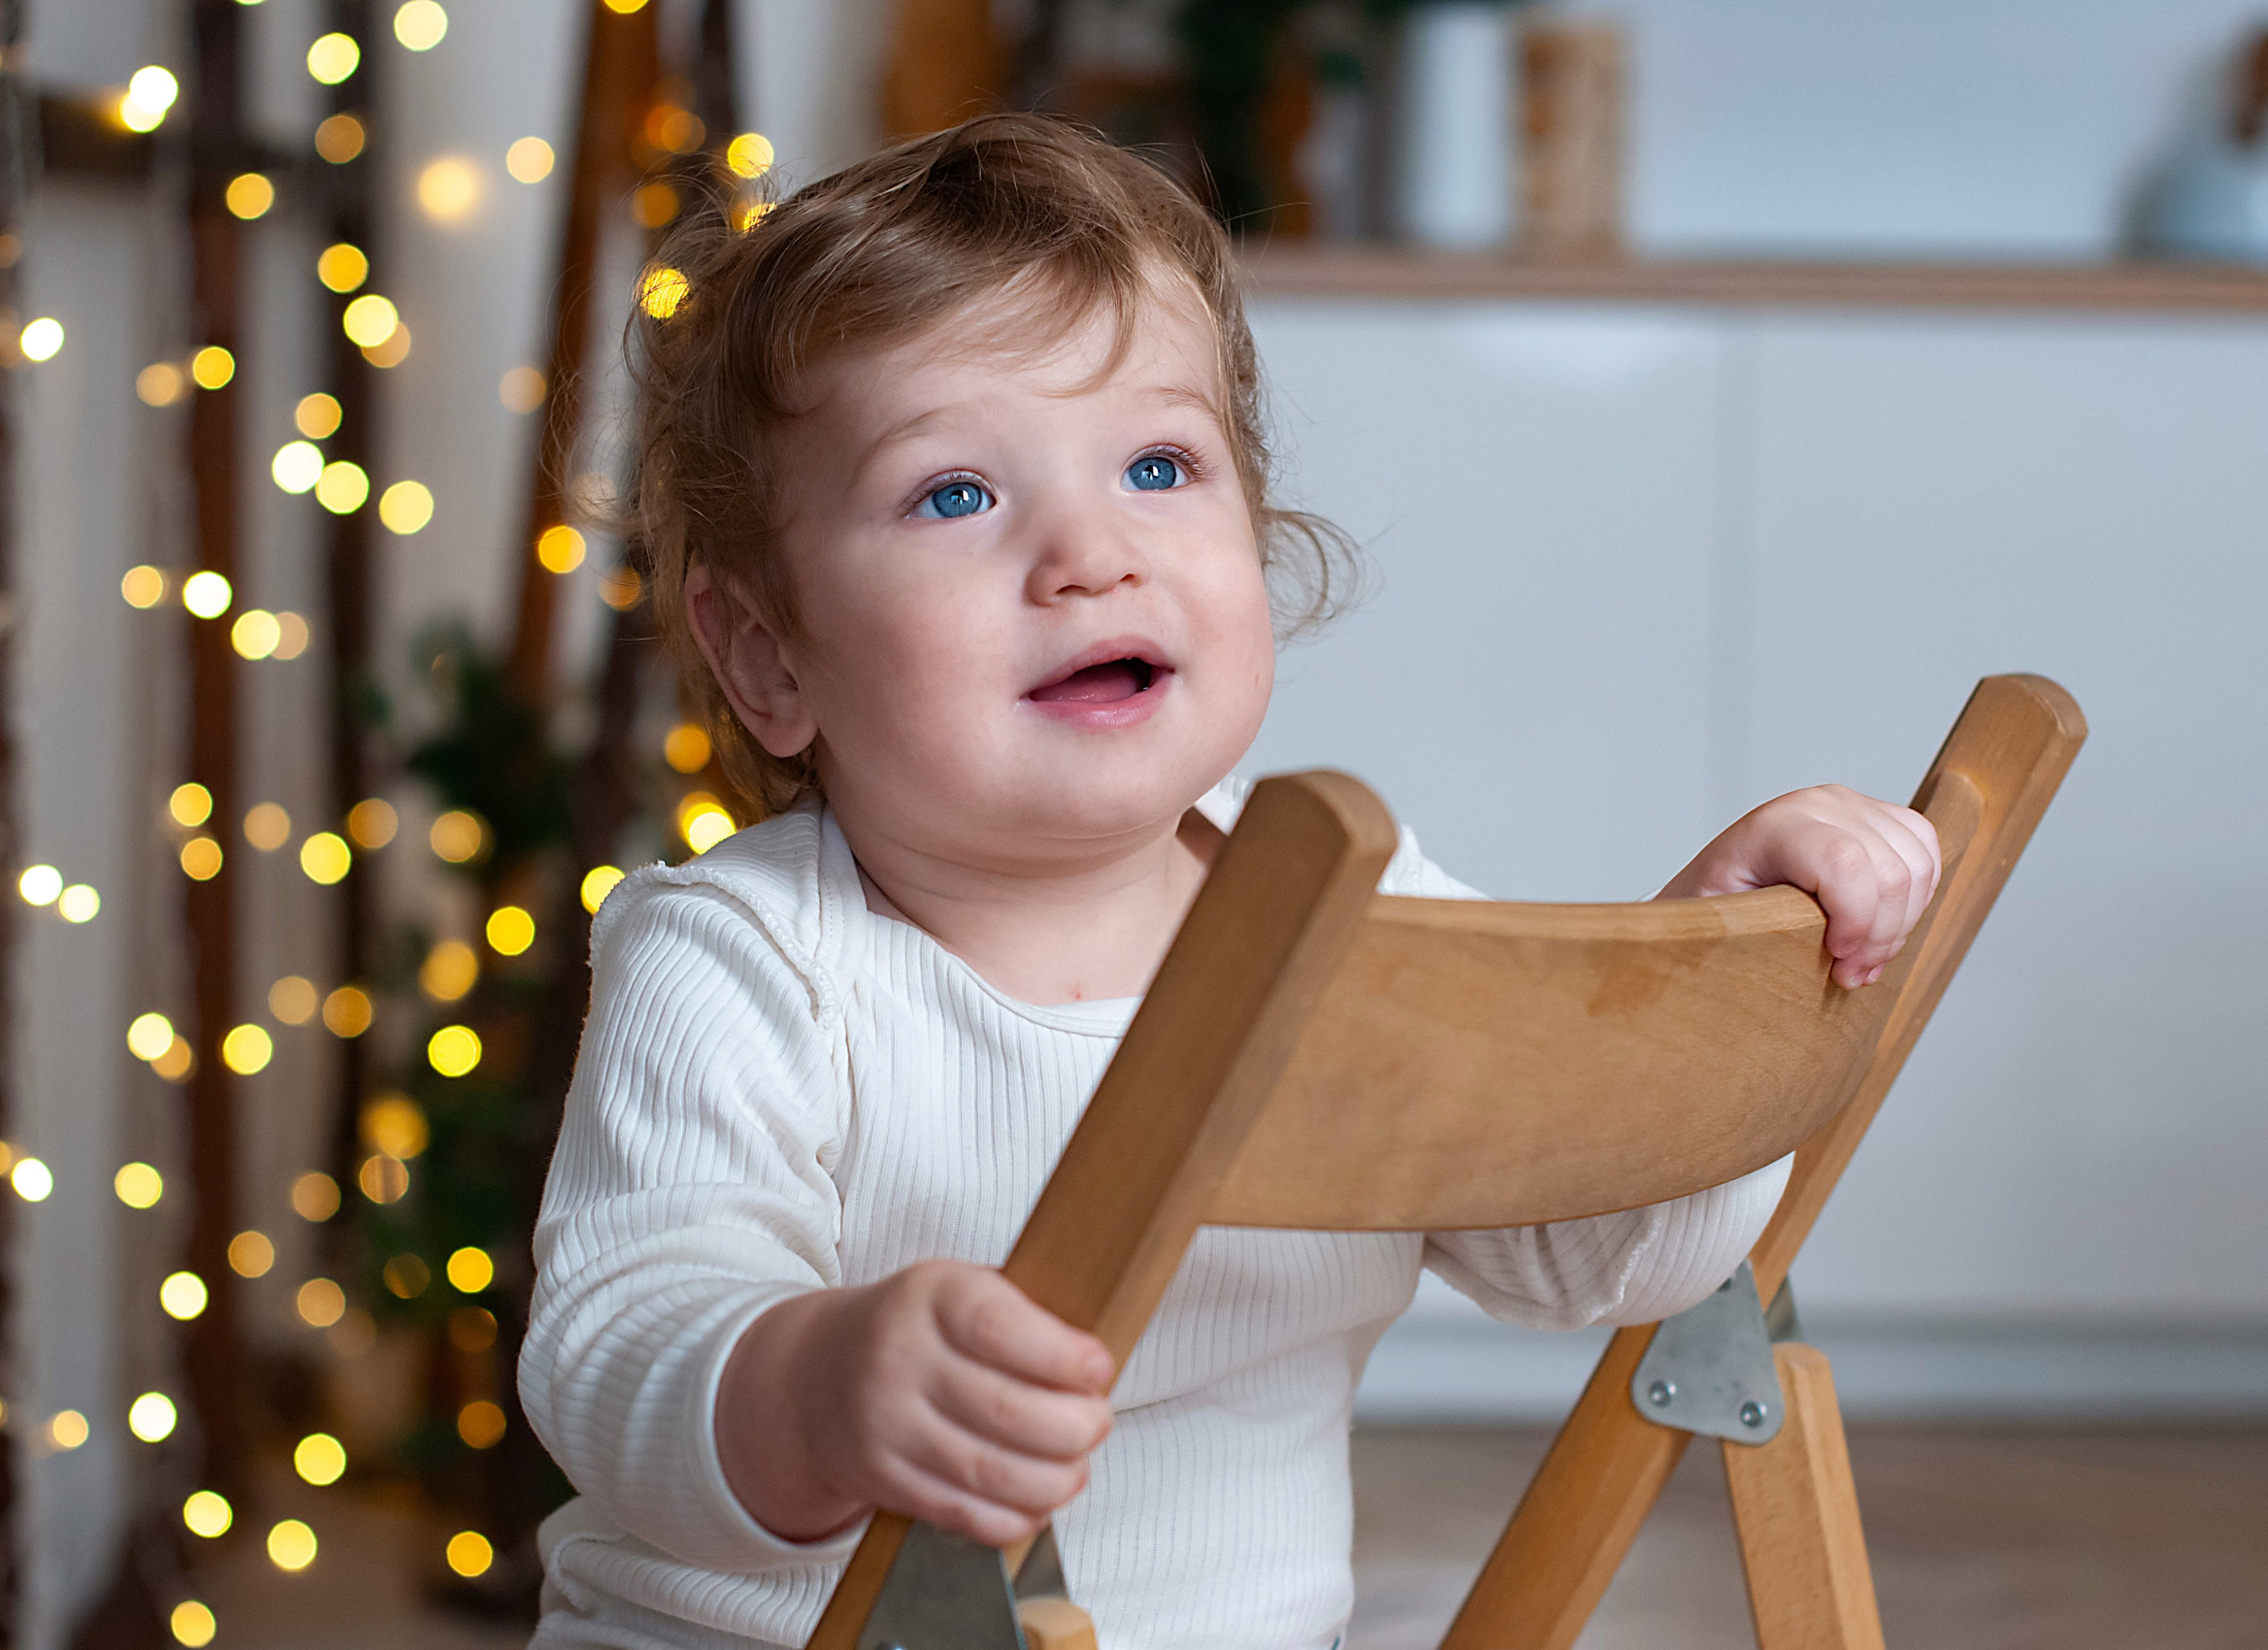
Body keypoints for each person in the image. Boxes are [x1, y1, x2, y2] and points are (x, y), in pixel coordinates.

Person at [517, 114, 1940, 1650]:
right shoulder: (738, 963)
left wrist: (1715, 982)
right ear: (766, 656)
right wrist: (821, 1378)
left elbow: (1601, 1252)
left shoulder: (1339, 904)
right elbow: (617, 1348)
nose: (1088, 552)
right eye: (953, 495)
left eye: (1156, 464)